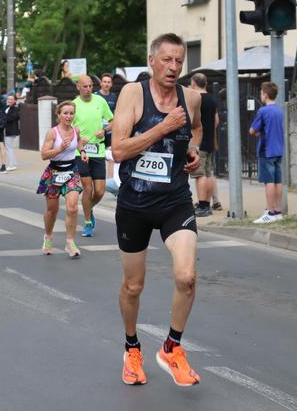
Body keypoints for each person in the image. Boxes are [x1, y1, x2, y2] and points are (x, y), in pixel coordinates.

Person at [111, 33, 202, 387]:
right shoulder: (133, 94)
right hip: (134, 203)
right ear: (151, 61)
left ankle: (171, 347)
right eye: (167, 60)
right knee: (134, 286)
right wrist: (162, 128)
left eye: (179, 61)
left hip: (174, 201)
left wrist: (193, 152)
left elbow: (194, 130)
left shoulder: (191, 97)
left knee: (186, 277)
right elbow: (118, 150)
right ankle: (132, 348)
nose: (174, 67)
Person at [37, 101, 89, 258]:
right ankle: (48, 236)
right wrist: (60, 149)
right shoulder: (53, 133)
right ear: (58, 115)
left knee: (73, 208)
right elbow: (44, 154)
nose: (69, 116)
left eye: (71, 113)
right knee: (52, 210)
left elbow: (78, 142)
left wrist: (83, 151)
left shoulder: (76, 130)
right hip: (54, 172)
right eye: (65, 113)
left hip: (71, 171)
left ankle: (70, 242)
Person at [72, 75, 114, 237]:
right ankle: (88, 222)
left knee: (100, 191)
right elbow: (66, 127)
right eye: (85, 86)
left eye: (90, 86)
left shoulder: (100, 101)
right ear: (78, 87)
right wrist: (77, 138)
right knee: (88, 188)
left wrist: (104, 130)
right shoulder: (74, 105)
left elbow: (113, 120)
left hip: (98, 150)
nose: (88, 89)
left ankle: (88, 207)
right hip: (80, 151)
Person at [249, 82, 284, 224]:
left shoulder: (263, 111)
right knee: (278, 181)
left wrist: (257, 132)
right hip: (278, 149)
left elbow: (252, 130)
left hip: (266, 149)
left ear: (265, 94)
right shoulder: (279, 110)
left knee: (268, 181)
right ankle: (277, 211)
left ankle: (269, 212)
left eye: (261, 93)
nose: (260, 95)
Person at [189, 73, 220, 217]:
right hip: (209, 141)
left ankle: (202, 205)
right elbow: (216, 121)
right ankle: (208, 203)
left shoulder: (196, 99)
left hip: (198, 142)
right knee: (208, 173)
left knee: (199, 175)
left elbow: (191, 121)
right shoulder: (212, 99)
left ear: (194, 83)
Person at [4, 94, 20, 171]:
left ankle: (11, 165)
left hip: (11, 131)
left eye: (11, 99)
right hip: (7, 131)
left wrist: (3, 117)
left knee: (8, 148)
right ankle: (14, 163)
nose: (9, 100)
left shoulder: (15, 109)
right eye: (8, 99)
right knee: (9, 147)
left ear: (15, 101)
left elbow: (11, 118)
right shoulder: (7, 107)